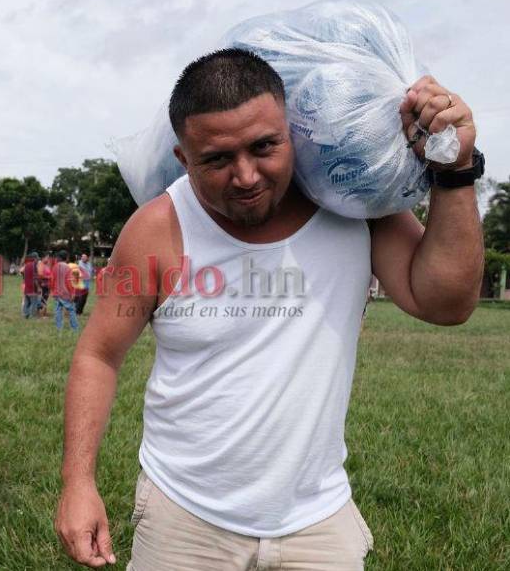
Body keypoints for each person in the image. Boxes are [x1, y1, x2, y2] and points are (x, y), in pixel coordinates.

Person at [55, 49, 483, 570]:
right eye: (216, 159)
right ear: (183, 158)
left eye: (265, 147)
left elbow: (447, 303)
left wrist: (456, 170)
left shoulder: (352, 208)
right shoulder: (154, 231)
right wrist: (78, 483)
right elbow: (98, 355)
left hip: (317, 520)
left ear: (293, 133)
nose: (246, 176)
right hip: (184, 517)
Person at [52, 250, 79, 331]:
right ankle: (75, 328)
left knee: (58, 310)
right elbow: (70, 282)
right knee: (71, 310)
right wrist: (73, 293)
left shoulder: (55, 267)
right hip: (65, 294)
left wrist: (52, 291)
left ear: (59, 258)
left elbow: (52, 280)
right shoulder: (67, 268)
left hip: (57, 293)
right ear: (66, 258)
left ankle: (59, 328)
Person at [21, 252, 41, 319]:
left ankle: (25, 315)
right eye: (37, 258)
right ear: (35, 258)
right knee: (34, 303)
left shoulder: (26, 265)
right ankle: (33, 316)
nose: (38, 259)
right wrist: (38, 287)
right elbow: (35, 278)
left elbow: (23, 275)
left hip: (27, 288)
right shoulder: (34, 265)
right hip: (32, 288)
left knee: (26, 302)